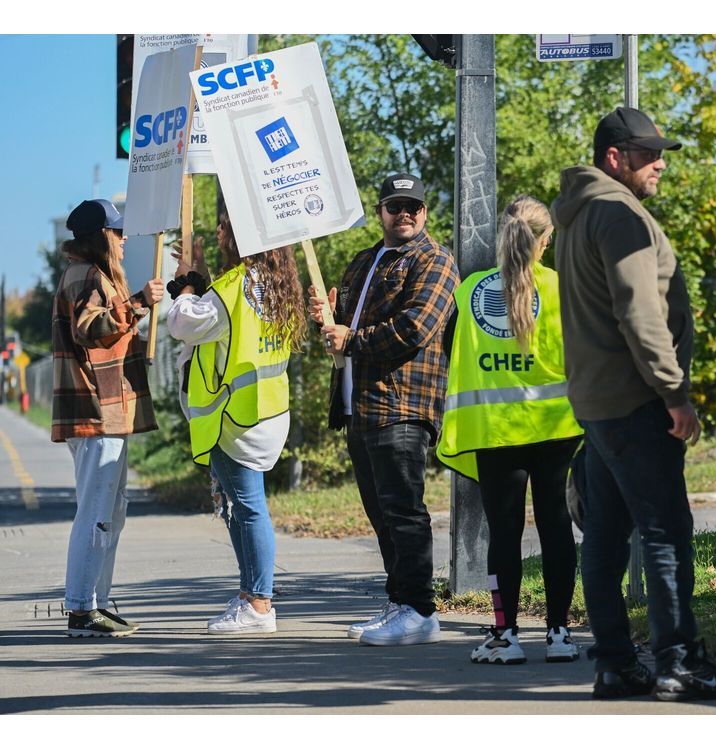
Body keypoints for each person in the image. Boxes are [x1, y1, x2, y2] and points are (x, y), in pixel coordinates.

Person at [552, 107, 716, 701]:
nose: (660, 161)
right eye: (647, 153)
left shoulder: (577, 213)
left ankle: (616, 663)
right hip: (637, 403)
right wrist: (675, 392)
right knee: (665, 532)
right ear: (615, 158)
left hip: (596, 403)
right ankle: (679, 662)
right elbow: (640, 314)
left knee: (607, 539)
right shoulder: (617, 214)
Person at [310, 173, 460, 646]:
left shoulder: (435, 261)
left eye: (414, 206)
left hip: (403, 404)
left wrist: (350, 339)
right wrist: (327, 322)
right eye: (396, 206)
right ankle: (400, 602)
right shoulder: (364, 262)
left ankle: (419, 610)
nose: (406, 214)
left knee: (405, 511)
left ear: (426, 212)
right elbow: (340, 335)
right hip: (361, 405)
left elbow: (416, 328)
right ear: (381, 211)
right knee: (381, 514)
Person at [436, 195, 584, 664]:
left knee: (504, 532)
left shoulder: (470, 291)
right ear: (546, 240)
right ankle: (560, 635)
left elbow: (447, 348)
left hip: (495, 428)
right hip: (555, 426)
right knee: (556, 525)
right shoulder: (564, 289)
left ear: (502, 234)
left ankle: (505, 635)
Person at [167, 214, 306, 634]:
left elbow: (182, 322)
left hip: (234, 419)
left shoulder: (232, 288)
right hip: (267, 411)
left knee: (248, 509)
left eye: (227, 227)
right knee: (242, 508)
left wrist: (186, 285)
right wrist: (202, 274)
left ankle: (259, 603)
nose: (220, 233)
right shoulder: (277, 284)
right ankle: (250, 595)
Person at [52, 199, 163, 637]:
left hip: (105, 410)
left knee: (109, 511)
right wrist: (136, 304)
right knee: (97, 511)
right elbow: (89, 328)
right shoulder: (87, 275)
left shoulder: (91, 273)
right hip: (96, 410)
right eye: (117, 232)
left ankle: (95, 602)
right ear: (100, 235)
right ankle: (82, 609)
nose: (122, 239)